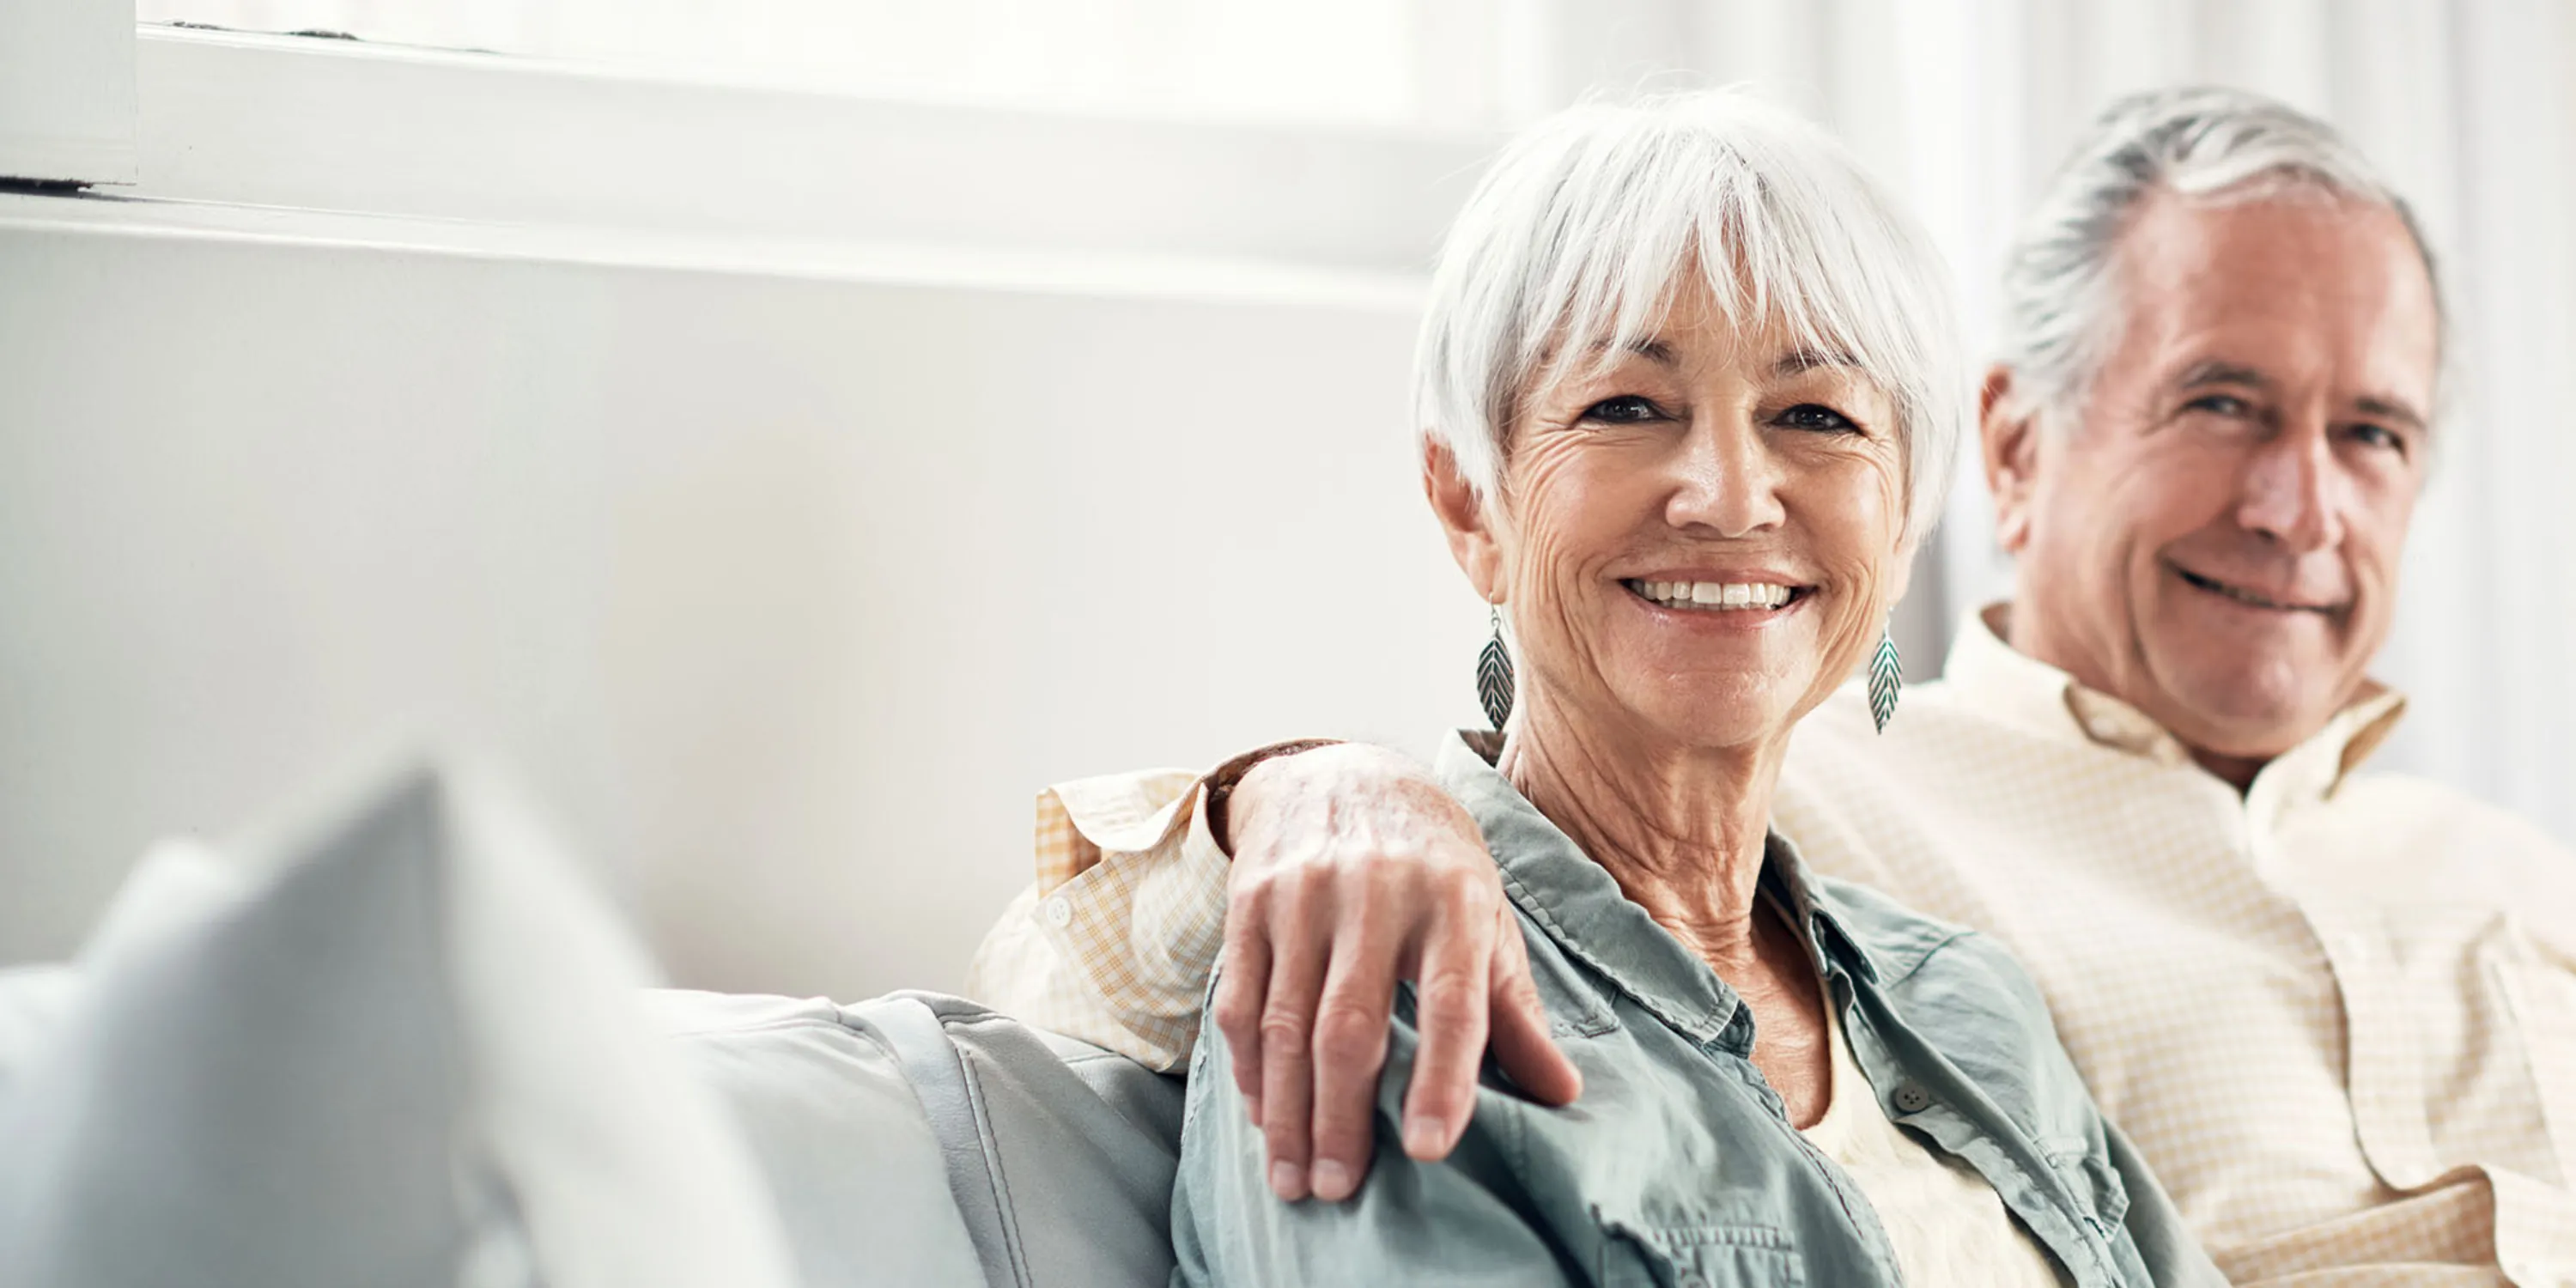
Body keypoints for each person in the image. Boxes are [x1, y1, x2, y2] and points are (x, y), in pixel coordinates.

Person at [969, 88, 2576, 1285]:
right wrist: (1298, 785)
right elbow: (1068, 987)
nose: (1731, 496)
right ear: (1468, 498)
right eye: (1624, 405)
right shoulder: (1418, 954)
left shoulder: (1963, 1004)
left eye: (1817, 419)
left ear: (1901, 506)